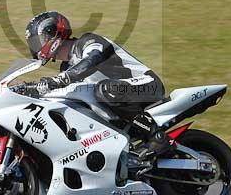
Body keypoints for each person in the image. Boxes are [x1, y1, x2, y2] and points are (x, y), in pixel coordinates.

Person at [23, 11, 170, 159]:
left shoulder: (87, 41)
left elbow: (93, 59)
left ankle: (157, 136)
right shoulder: (66, 67)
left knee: (106, 90)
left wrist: (61, 80)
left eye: (39, 40)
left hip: (148, 85)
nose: (37, 47)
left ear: (54, 32)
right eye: (34, 44)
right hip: (121, 101)